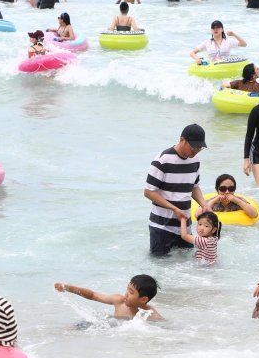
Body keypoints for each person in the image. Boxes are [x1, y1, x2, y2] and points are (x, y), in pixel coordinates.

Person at [144, 124, 210, 255]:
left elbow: (194, 186)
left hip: (185, 226)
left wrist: (203, 204)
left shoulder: (195, 160)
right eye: (193, 146)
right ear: (182, 140)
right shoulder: (162, 160)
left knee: (185, 268)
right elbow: (149, 192)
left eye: (200, 147)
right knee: (160, 267)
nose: (196, 150)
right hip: (161, 226)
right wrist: (174, 209)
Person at [53, 275, 162, 321]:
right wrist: (68, 288)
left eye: (131, 292)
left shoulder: (150, 314)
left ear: (143, 299)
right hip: (107, 325)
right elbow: (93, 295)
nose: (126, 294)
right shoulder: (119, 301)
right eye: (127, 289)